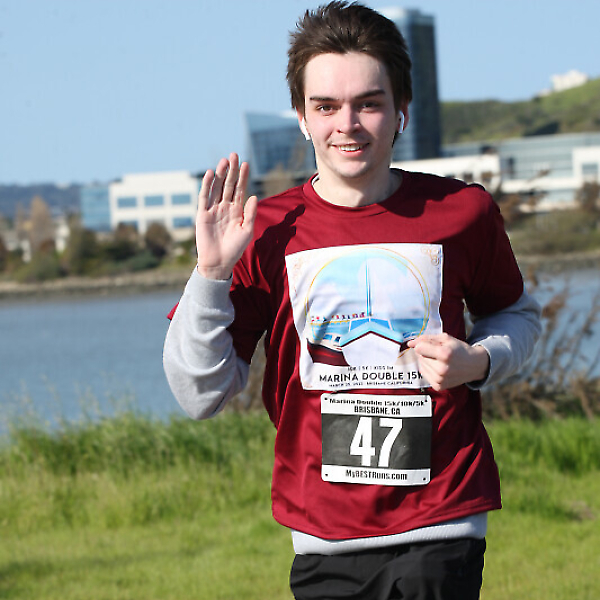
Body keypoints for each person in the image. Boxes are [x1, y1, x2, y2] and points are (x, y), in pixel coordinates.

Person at [163, 2, 541, 598]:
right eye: (326, 106)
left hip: (441, 519)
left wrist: (479, 360)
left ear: (401, 110)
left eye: (368, 103)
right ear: (301, 117)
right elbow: (200, 394)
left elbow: (516, 315)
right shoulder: (264, 232)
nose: (348, 125)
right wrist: (211, 272)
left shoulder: (462, 212)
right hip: (322, 535)